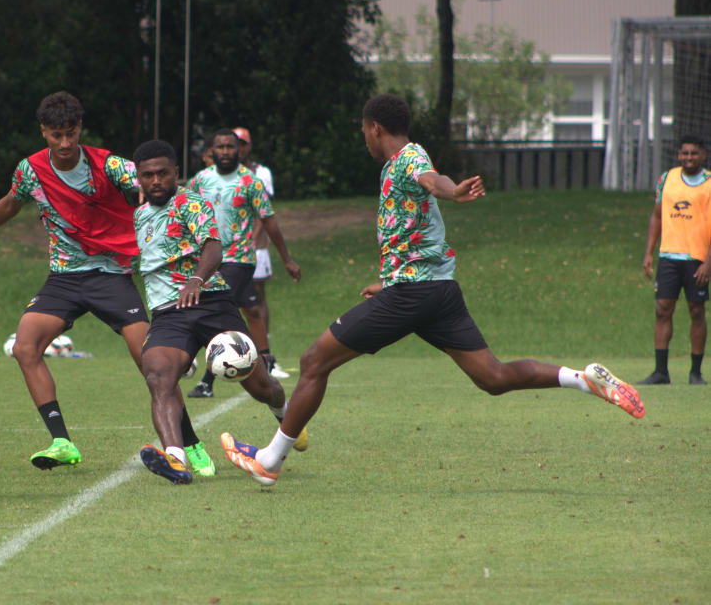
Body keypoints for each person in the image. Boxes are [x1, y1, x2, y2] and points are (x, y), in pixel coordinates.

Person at [221, 94, 645, 487]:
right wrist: (388, 279)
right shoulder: (395, 165)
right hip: (436, 290)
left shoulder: (409, 156)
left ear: (374, 128)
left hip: (413, 295)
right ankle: (582, 379)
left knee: (314, 360)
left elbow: (432, 179)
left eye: (363, 132)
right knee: (492, 377)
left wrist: (452, 190)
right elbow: (414, 224)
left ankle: (270, 462)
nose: (364, 139)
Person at [0, 92, 214, 475]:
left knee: (154, 365)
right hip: (64, 279)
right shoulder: (31, 170)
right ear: (44, 133)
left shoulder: (109, 165)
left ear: (80, 129)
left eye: (71, 133)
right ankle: (61, 442)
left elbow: (149, 185)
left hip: (111, 276)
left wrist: (146, 198)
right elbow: (10, 202)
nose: (66, 143)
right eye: (57, 135)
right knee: (25, 347)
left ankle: (191, 444)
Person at [131, 139, 307, 484]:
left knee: (260, 386)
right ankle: (176, 460)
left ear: (176, 173)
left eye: (163, 173)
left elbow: (213, 245)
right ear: (138, 178)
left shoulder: (191, 203)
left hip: (211, 303)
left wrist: (197, 277)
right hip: (169, 313)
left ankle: (284, 414)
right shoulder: (139, 215)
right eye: (148, 175)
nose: (155, 181)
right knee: (157, 374)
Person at [186, 128, 301, 398]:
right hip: (208, 259)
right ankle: (265, 361)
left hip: (239, 259)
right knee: (250, 311)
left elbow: (269, 222)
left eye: (230, 147)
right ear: (211, 152)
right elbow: (182, 210)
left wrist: (287, 259)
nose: (225, 151)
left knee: (214, 309)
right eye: (220, 147)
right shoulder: (200, 181)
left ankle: (206, 381)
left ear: (239, 150)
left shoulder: (250, 181)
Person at [639, 135, 711, 385]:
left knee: (696, 311)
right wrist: (649, 252)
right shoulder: (666, 179)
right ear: (678, 155)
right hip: (669, 256)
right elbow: (657, 216)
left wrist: (708, 263)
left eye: (693, 153)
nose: (688, 158)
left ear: (703, 154)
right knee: (662, 310)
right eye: (684, 153)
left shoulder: (710, 183)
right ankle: (661, 372)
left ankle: (696, 372)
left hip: (696, 258)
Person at [233, 126, 289, 379]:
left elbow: (262, 209)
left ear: (248, 146)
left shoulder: (260, 172)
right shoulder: (219, 175)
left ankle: (266, 354)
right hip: (231, 249)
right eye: (234, 144)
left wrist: (252, 241)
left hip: (256, 247)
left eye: (242, 143)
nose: (238, 148)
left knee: (257, 297)